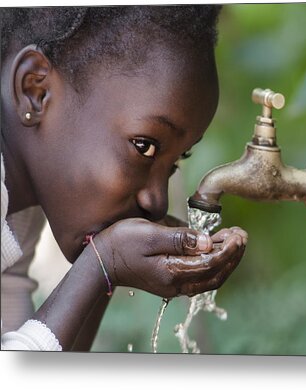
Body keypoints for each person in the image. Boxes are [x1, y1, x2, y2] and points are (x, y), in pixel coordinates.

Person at [0, 5, 248, 351]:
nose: (156, 201)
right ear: (36, 90)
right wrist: (102, 264)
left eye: (176, 162)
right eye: (144, 146)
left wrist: (108, 263)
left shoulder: (18, 213)